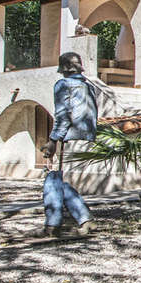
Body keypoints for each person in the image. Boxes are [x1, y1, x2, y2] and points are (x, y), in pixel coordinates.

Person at [38, 52, 98, 237]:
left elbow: (63, 117)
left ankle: (52, 225)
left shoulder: (63, 85)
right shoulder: (89, 87)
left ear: (63, 69)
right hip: (87, 137)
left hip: (70, 138)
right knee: (64, 185)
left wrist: (53, 141)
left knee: (54, 182)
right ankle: (84, 220)